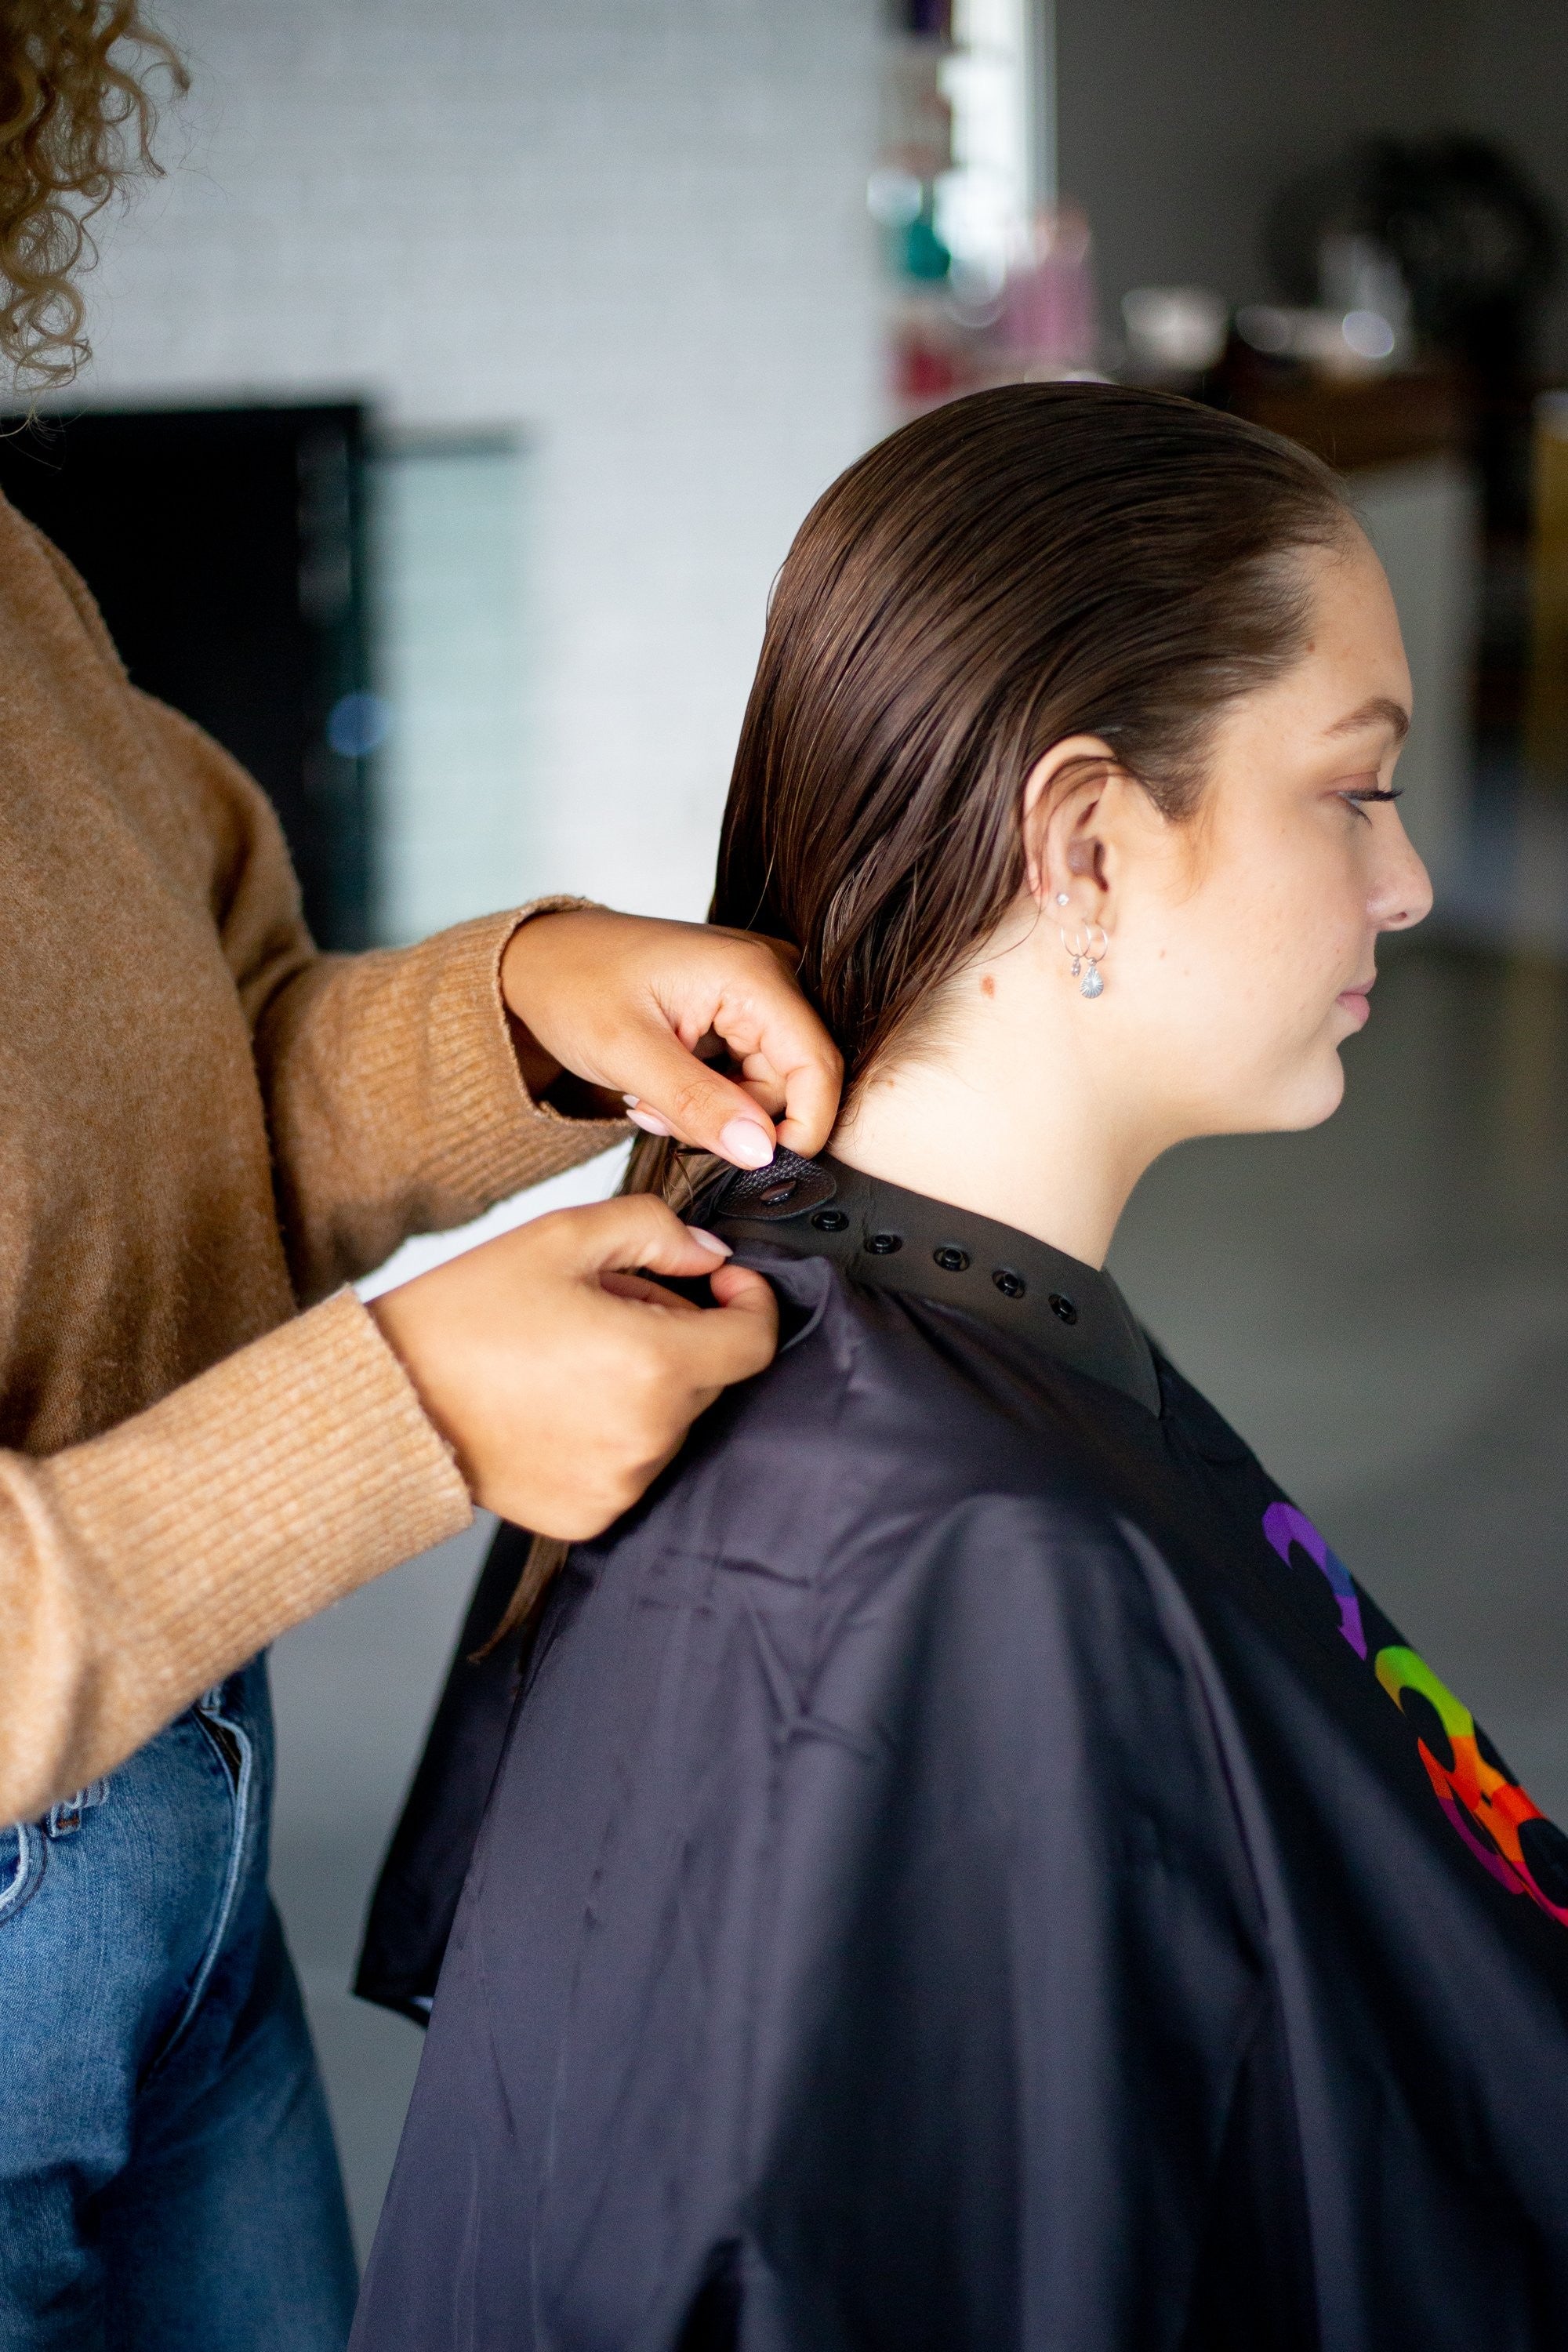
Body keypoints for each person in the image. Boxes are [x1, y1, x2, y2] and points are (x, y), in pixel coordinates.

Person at [357, 383, 1568, 2351]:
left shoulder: (807, 1345)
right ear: (1084, 841)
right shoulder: (970, 1546)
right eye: (1354, 790)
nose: (1410, 876)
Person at [0, 9, 841, 2347]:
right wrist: (407, 1417)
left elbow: (195, 1099)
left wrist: (519, 1011)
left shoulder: (15, 595)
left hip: (186, 1892)